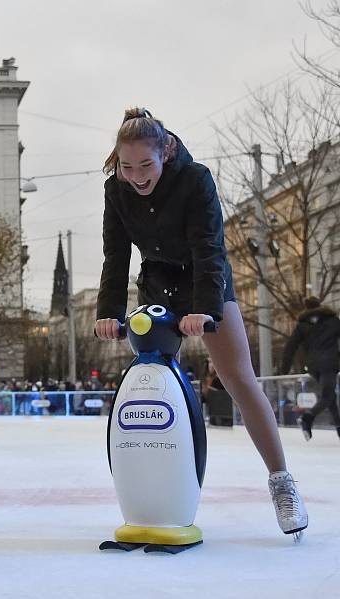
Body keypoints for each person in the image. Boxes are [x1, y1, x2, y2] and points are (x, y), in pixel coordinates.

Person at [93, 107, 308, 537]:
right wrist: (108, 313)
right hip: (156, 284)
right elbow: (115, 256)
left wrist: (206, 310)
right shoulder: (115, 190)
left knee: (238, 378)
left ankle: (282, 483)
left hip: (203, 279)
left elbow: (210, 248)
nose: (136, 176)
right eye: (126, 166)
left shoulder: (195, 180)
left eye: (145, 165)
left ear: (166, 151)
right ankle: (155, 491)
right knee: (153, 381)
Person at [279, 296, 340, 441]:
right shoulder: (333, 321)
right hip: (330, 363)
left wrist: (284, 368)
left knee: (330, 396)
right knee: (327, 395)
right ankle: (308, 417)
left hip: (313, 365)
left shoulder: (302, 325)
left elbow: (290, 346)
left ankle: (339, 427)